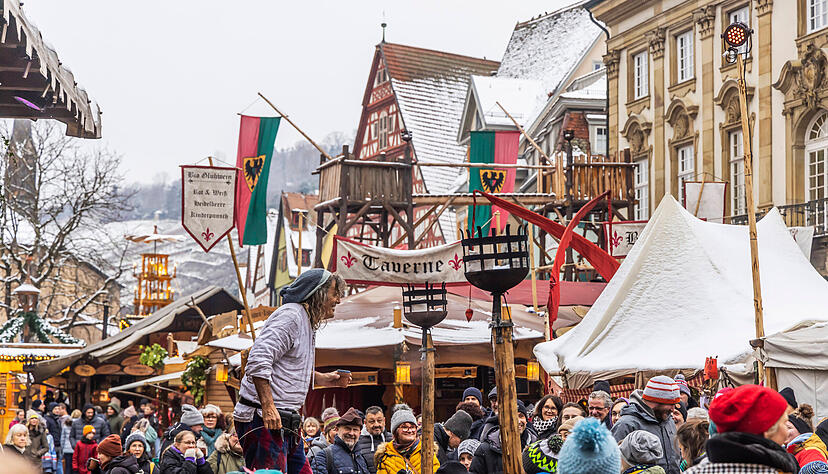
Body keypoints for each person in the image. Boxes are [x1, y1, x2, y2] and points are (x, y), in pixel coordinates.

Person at [233, 270, 350, 473]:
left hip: (285, 421)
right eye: (334, 293)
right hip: (264, 419)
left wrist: (325, 379)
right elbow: (258, 358)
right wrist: (268, 406)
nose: (338, 300)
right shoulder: (291, 316)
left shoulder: (305, 321)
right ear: (318, 294)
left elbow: (288, 372)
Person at [685, 385, 798, 474]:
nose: (786, 432)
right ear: (768, 430)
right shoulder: (777, 471)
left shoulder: (694, 471)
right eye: (784, 423)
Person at [612, 376, 681, 474]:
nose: (673, 409)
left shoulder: (668, 420)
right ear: (655, 401)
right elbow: (613, 464)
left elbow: (676, 455)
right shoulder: (626, 424)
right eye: (671, 404)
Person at [469, 400, 532, 473]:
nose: (517, 421)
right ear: (504, 420)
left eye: (521, 416)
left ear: (526, 421)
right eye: (513, 416)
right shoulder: (485, 450)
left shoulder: (535, 447)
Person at [374, 409, 439, 474]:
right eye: (404, 427)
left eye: (412, 427)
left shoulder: (427, 451)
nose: (410, 430)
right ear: (395, 431)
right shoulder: (386, 455)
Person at [312, 407, 370, 474]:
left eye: (355, 430)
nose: (351, 433)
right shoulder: (324, 456)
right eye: (347, 428)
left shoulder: (361, 458)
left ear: (359, 433)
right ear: (337, 429)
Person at [356, 406, 391, 473]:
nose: (376, 424)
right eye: (372, 421)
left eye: (379, 421)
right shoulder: (357, 442)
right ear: (365, 423)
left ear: (384, 421)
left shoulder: (393, 439)